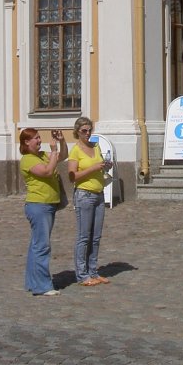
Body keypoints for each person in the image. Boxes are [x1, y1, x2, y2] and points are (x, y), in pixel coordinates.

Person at [19, 127, 69, 296]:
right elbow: (47, 172)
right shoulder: (27, 159)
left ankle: (33, 283)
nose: (39, 141)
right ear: (27, 142)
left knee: (36, 245)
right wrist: (54, 149)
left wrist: (61, 141)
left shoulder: (41, 155)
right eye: (36, 138)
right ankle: (43, 286)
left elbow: (63, 157)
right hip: (38, 205)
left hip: (48, 204)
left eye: (40, 138)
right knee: (42, 246)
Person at [68, 116, 113, 287]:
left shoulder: (96, 147)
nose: (87, 134)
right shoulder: (76, 151)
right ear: (77, 132)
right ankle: (82, 274)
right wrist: (93, 168)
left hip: (99, 193)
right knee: (83, 237)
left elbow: (99, 165)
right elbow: (73, 176)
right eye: (84, 131)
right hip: (84, 195)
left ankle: (93, 271)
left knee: (96, 236)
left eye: (89, 130)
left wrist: (105, 166)